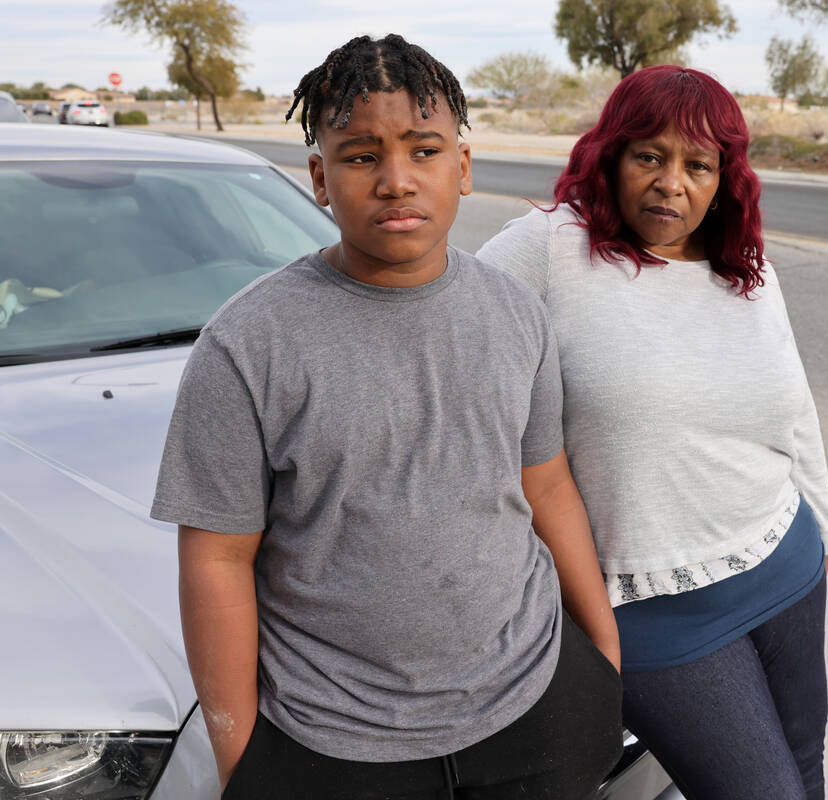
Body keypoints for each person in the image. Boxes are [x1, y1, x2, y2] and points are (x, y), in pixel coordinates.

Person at [152, 34, 622, 800]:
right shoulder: (245, 345)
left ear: (462, 169)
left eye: (424, 150)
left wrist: (601, 654)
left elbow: (548, 487)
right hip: (332, 739)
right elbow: (215, 561)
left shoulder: (515, 314)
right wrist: (241, 759)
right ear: (320, 178)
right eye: (363, 155)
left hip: (537, 703)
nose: (396, 180)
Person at [477, 65, 828, 800]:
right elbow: (445, 341)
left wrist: (825, 534)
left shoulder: (746, 269)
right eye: (650, 156)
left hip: (784, 559)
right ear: (610, 157)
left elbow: (795, 412)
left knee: (806, 769)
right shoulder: (550, 249)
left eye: (697, 165)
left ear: (723, 178)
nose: (672, 183)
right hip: (648, 609)